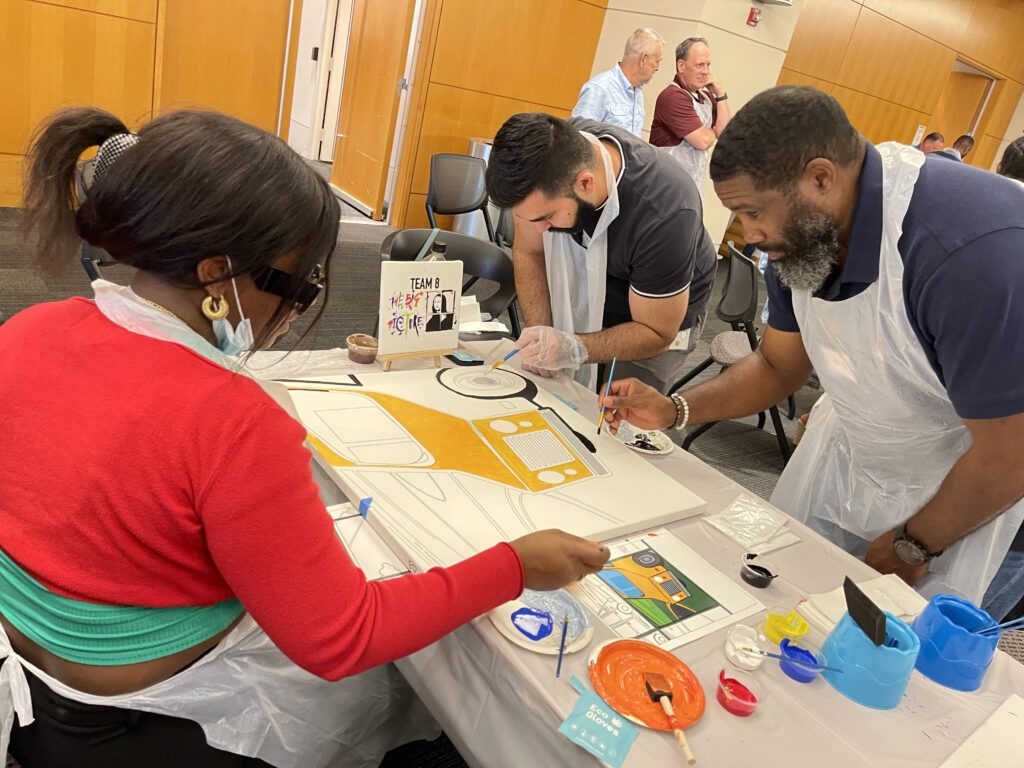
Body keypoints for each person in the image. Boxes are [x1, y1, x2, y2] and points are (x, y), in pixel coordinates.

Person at [0, 107, 609, 767]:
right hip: (158, 703)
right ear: (214, 276)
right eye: (294, 286)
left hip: (36, 667)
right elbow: (342, 638)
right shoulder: (231, 419)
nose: (294, 312)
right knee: (416, 689)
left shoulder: (29, 328)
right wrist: (517, 565)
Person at [602, 86, 1024, 618]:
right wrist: (675, 409)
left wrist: (917, 542)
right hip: (855, 449)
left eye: (753, 213)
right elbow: (779, 365)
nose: (749, 237)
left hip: (978, 492)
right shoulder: (804, 234)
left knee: (903, 666)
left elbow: (1009, 457)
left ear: (821, 178)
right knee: (785, 609)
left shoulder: (969, 249)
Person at [485, 113, 717, 393]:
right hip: (599, 274)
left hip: (657, 308)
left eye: (546, 217)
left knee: (621, 411)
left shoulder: (666, 212)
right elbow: (529, 252)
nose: (541, 230)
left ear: (585, 184)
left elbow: (656, 333)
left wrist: (574, 348)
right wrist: (543, 337)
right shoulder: (549, 157)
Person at [650, 37, 731, 193]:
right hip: (665, 190)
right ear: (681, 66)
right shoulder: (672, 96)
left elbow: (726, 135)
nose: (706, 71)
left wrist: (720, 94)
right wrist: (710, 131)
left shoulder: (707, 96)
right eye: (700, 65)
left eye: (708, 65)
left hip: (691, 188)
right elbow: (702, 142)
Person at [571, 28, 665, 137]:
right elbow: (577, 138)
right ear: (643, 59)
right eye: (657, 61)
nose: (658, 68)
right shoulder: (599, 88)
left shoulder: (638, 92)